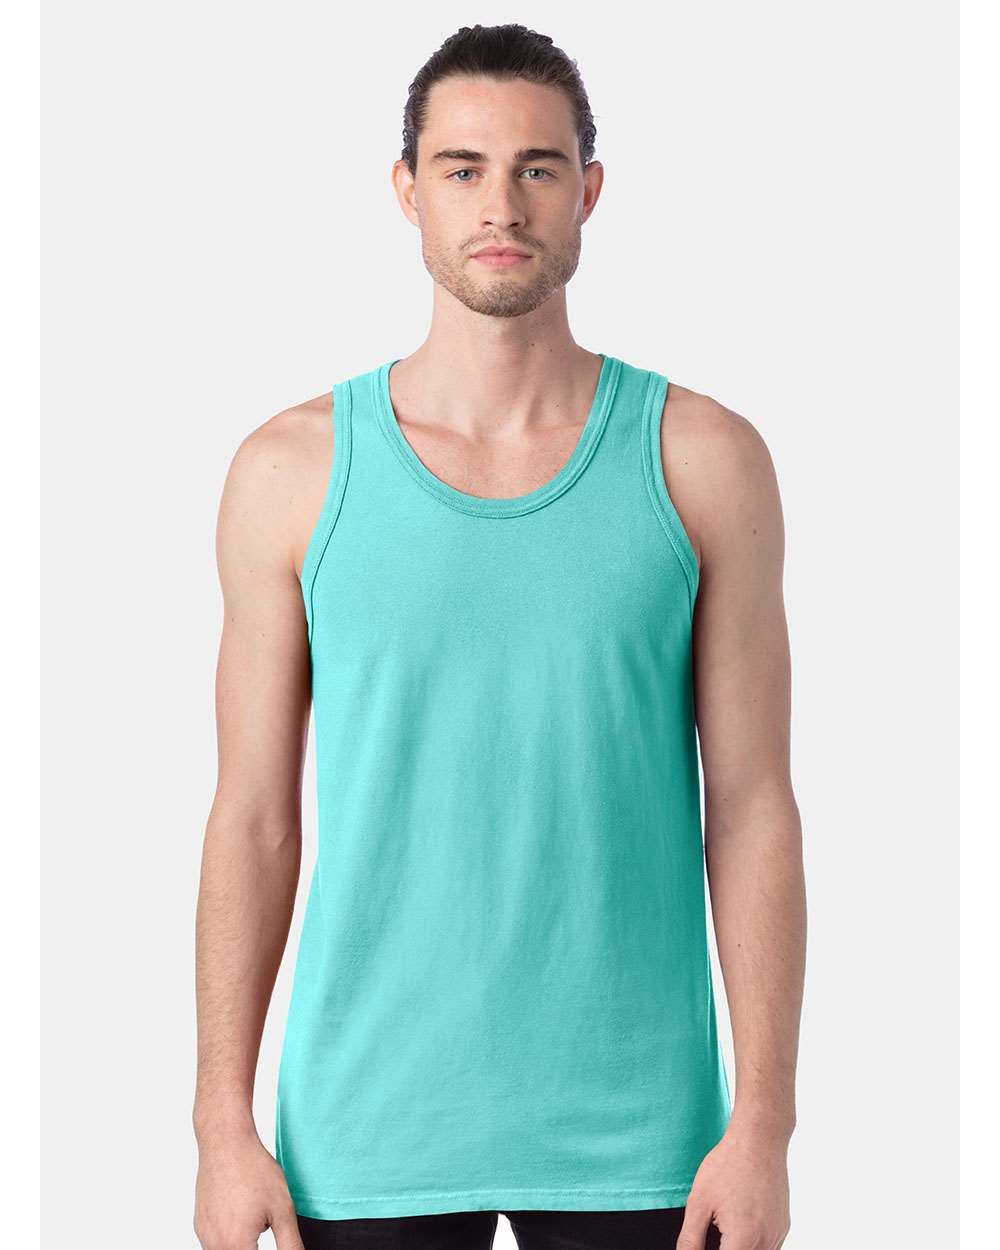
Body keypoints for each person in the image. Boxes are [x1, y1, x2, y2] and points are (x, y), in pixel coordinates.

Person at [192, 22, 805, 1250]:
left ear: (588, 190)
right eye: (462, 167)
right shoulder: (290, 472)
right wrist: (220, 1126)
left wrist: (763, 1127)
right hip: (369, 1126)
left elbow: (750, 807)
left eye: (536, 167)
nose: (501, 205)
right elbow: (254, 815)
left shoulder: (702, 459)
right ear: (406, 189)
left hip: (643, 1132)